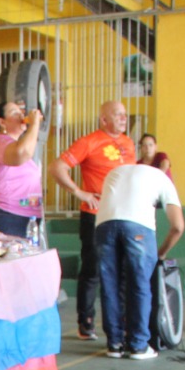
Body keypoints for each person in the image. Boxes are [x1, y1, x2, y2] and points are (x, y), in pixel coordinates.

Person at [50, 101, 136, 340]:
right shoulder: (89, 142)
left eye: (124, 115)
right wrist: (80, 193)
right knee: (92, 269)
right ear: (103, 119)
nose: (123, 118)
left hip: (125, 215)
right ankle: (85, 322)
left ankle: (120, 323)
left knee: (122, 270)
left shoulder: (128, 143)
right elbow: (57, 167)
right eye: (117, 114)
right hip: (96, 215)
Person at [94, 162, 184, 359]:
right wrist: (161, 253)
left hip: (103, 226)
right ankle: (138, 346)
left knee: (110, 286)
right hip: (138, 227)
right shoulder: (163, 179)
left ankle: (114, 345)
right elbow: (178, 226)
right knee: (139, 285)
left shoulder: (116, 171)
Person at [0, 101, 45, 239]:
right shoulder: (0, 142)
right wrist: (34, 125)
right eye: (15, 113)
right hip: (7, 217)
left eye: (21, 112)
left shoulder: (14, 144)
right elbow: (22, 153)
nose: (21, 115)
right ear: (2, 122)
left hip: (26, 218)